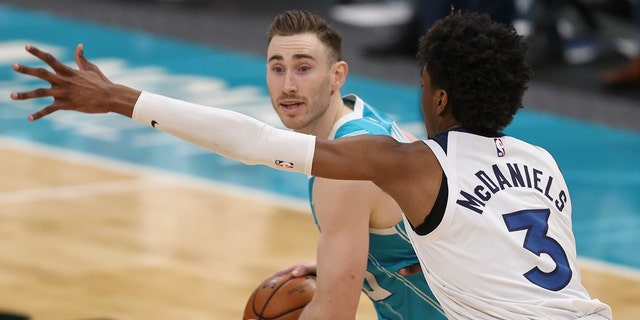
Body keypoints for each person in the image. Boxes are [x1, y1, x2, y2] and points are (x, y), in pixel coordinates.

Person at [10, 10, 613, 320]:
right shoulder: (545, 163)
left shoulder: (405, 163)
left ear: (439, 97)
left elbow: (251, 141)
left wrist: (120, 99)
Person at [261, 11, 444, 320]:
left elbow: (333, 315)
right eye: (277, 69)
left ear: (338, 75)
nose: (288, 85)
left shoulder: (347, 169)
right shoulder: (366, 120)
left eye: (303, 68)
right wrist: (351, 263)